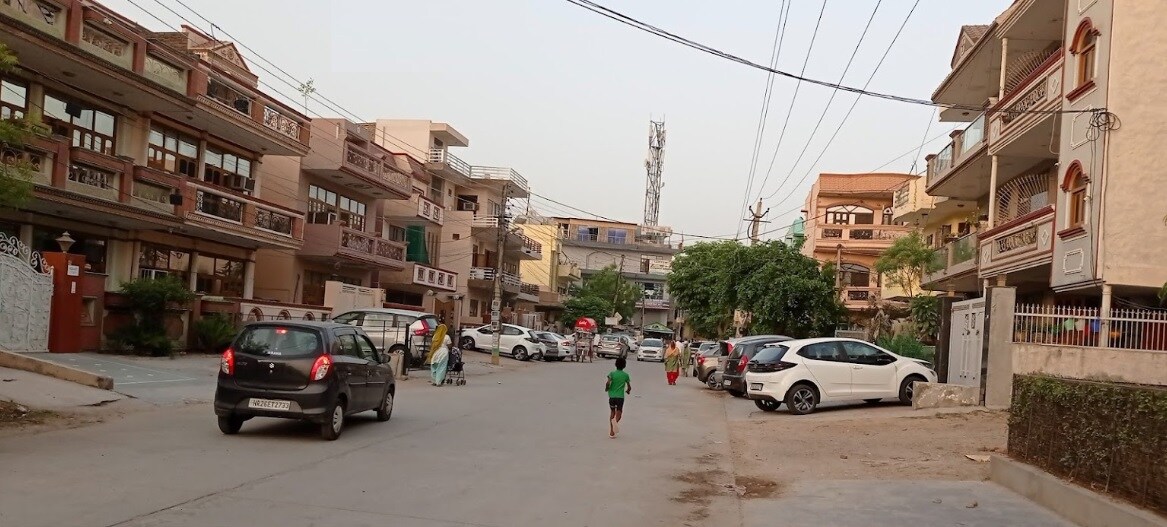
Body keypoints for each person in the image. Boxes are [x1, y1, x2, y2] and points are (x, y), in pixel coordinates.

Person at [605, 357, 632, 438]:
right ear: (624, 366)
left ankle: (611, 432)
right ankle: (615, 423)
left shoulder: (612, 374)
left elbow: (608, 383)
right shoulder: (626, 375)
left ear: (615, 364)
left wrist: (607, 388)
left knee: (612, 412)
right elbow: (629, 387)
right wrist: (628, 391)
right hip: (620, 397)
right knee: (619, 413)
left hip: (612, 396)